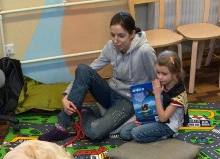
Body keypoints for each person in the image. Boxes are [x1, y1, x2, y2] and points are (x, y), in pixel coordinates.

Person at [38, 12, 157, 143]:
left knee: (95, 132)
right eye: (113, 35)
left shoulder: (145, 51)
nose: (116, 40)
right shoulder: (110, 46)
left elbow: (155, 81)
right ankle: (61, 126)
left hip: (128, 101)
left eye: (121, 36)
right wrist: (66, 94)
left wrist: (149, 113)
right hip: (110, 93)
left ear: (132, 34)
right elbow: (88, 70)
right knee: (83, 68)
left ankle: (85, 112)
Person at [119, 50, 188, 143]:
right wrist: (140, 116)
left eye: (164, 74)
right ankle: (148, 132)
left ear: (175, 73)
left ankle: (166, 136)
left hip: (168, 125)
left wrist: (157, 94)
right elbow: (149, 104)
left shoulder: (179, 93)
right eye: (158, 72)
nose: (159, 77)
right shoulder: (162, 83)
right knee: (124, 132)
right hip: (155, 117)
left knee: (136, 133)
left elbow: (163, 118)